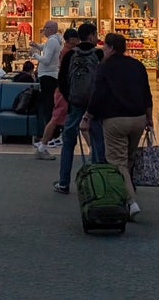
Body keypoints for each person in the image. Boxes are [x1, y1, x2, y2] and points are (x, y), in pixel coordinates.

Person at [82, 32, 153, 220]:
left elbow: (97, 94)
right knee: (129, 158)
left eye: (104, 46)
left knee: (117, 162)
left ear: (111, 48)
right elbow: (147, 93)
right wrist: (149, 117)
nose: (103, 49)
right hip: (138, 119)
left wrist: (88, 115)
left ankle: (131, 202)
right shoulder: (137, 66)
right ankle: (125, 192)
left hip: (115, 120)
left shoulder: (104, 68)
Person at [54, 22, 105, 194]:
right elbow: (104, 82)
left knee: (68, 143)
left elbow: (61, 81)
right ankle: (99, 181)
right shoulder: (99, 54)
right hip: (95, 106)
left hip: (74, 103)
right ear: (91, 35)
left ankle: (63, 182)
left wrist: (70, 98)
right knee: (98, 141)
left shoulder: (70, 55)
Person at [34, 28, 78, 159]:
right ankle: (43, 146)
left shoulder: (63, 48)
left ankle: (52, 141)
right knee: (56, 118)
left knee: (66, 118)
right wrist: (35, 54)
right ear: (71, 40)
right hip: (64, 89)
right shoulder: (66, 52)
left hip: (63, 87)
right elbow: (47, 60)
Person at [31, 20, 63, 131]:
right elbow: (44, 48)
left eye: (45, 27)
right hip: (51, 75)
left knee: (48, 105)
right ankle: (52, 133)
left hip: (47, 76)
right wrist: (36, 46)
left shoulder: (52, 41)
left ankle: (51, 133)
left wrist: (34, 54)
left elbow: (46, 60)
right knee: (49, 104)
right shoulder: (54, 41)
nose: (43, 30)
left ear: (50, 29)